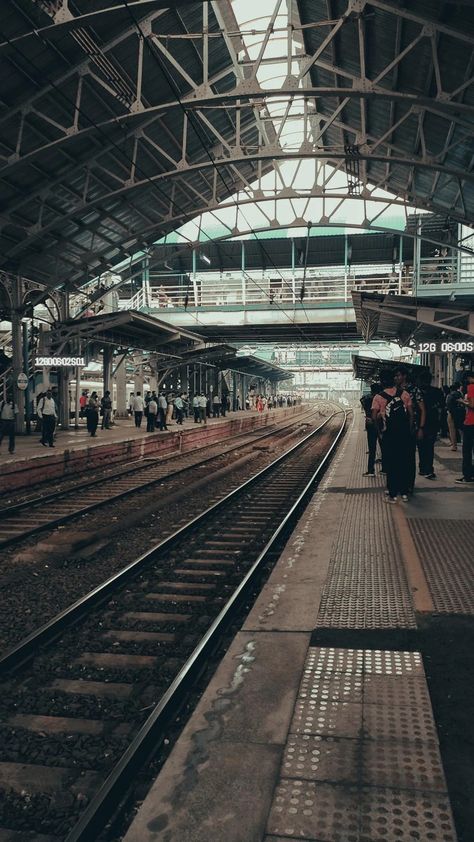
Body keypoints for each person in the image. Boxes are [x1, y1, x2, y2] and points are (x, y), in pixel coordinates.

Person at [372, 369, 413, 502]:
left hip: (389, 435)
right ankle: (404, 493)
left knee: (391, 463)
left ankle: (392, 494)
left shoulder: (378, 397)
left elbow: (374, 417)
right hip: (404, 434)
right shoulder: (405, 394)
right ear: (394, 379)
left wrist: (380, 432)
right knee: (404, 462)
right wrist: (409, 429)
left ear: (382, 381)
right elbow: (411, 414)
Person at [393, 365, 424, 493]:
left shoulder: (414, 390)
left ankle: (409, 484)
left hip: (411, 428)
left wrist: (421, 427)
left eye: (398, 375)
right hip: (396, 429)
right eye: (395, 376)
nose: (396, 378)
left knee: (409, 457)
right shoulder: (393, 391)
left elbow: (423, 409)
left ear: (404, 376)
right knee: (398, 457)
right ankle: (400, 484)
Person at [417, 372, 444, 479]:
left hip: (421, 422)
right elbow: (442, 405)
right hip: (433, 423)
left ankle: (423, 468)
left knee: (422, 446)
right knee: (429, 447)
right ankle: (428, 468)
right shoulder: (437, 391)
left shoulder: (417, 392)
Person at [455, 371, 474, 484]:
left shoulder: (471, 387)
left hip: (470, 422)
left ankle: (467, 475)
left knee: (467, 450)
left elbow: (472, 405)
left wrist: (462, 402)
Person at [360, 383, 381, 476]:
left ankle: (371, 470)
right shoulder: (381, 398)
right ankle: (384, 469)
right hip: (380, 424)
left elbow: (361, 400)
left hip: (370, 424)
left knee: (372, 448)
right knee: (384, 447)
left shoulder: (367, 398)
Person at [446, 383, 464, 451]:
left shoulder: (450, 395)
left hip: (451, 413)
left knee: (452, 430)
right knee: (460, 429)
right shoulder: (459, 394)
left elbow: (448, 404)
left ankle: (454, 445)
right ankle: (461, 442)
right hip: (459, 412)